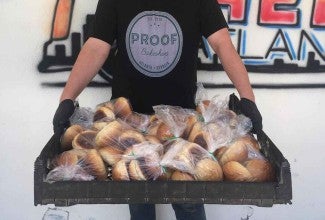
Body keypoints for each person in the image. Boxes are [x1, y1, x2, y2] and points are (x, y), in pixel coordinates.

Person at [53, 0, 263, 219]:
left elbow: (222, 43)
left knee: (188, 202)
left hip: (180, 124)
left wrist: (247, 98)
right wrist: (67, 99)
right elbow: (97, 45)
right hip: (127, 125)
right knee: (139, 202)